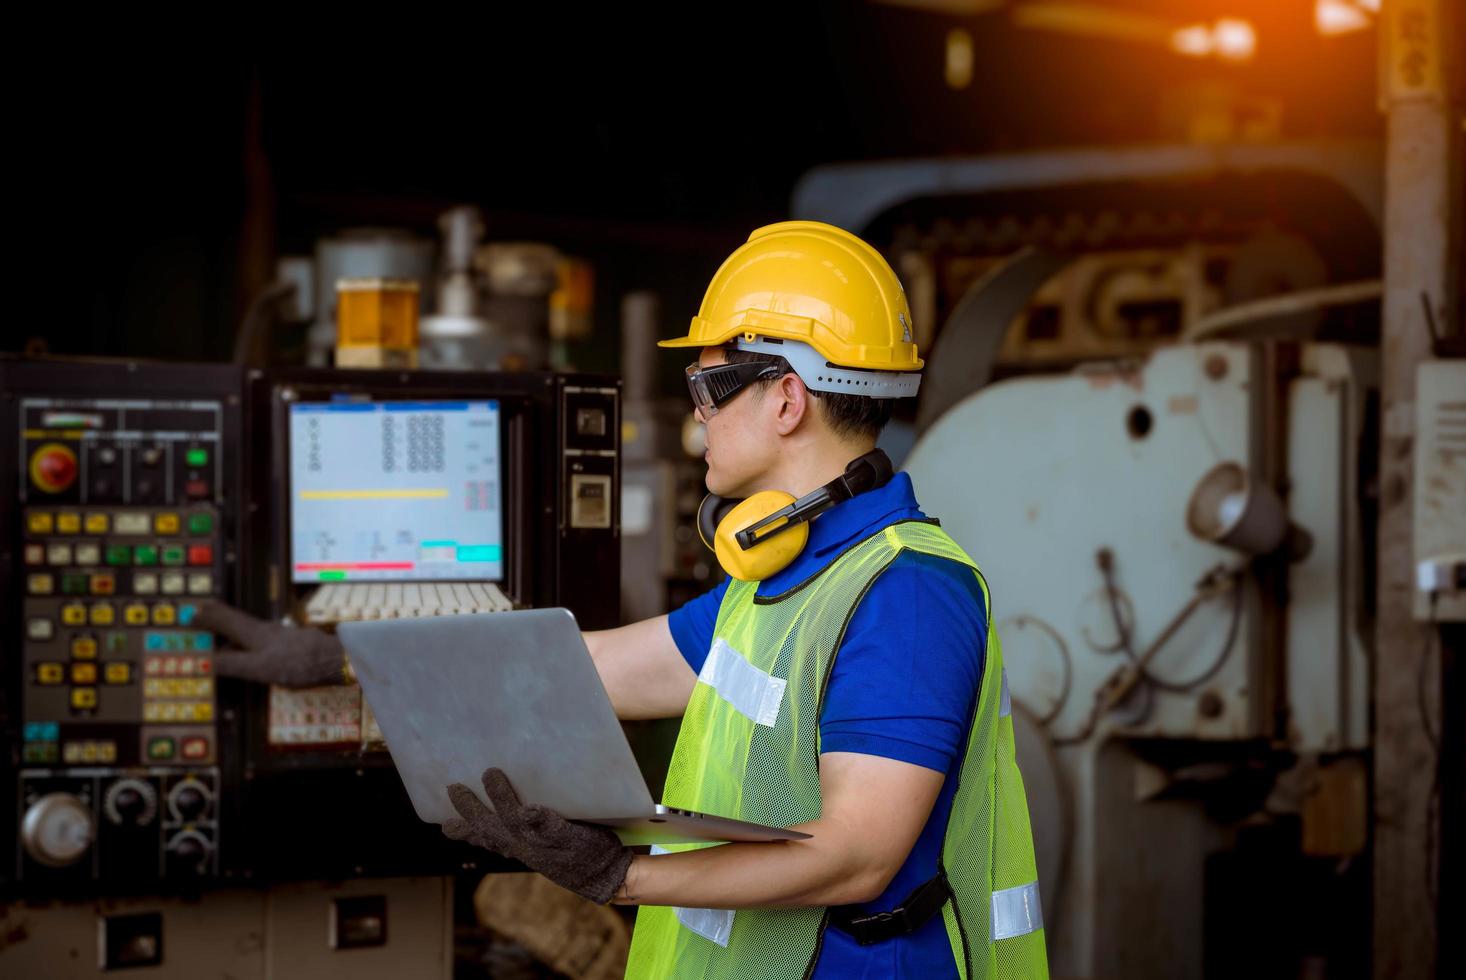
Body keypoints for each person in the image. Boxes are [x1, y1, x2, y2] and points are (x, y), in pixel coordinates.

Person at [199, 221, 1047, 979]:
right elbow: (587, 668)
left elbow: (857, 855)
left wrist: (622, 877)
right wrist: (346, 658)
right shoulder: (782, 583)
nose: (696, 422)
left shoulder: (906, 594)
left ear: (787, 397)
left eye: (710, 389)